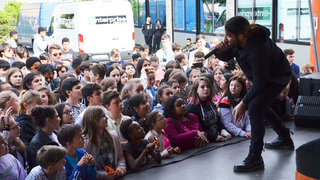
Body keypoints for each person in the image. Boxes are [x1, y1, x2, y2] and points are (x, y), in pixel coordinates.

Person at [215, 16, 294, 172]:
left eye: (228, 36)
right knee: (259, 106)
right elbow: (231, 53)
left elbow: (260, 83)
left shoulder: (258, 49)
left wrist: (243, 103)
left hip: (277, 76)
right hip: (265, 77)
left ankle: (255, 157)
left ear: (240, 36)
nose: (226, 39)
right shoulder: (242, 40)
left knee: (255, 107)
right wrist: (220, 52)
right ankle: (284, 137)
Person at [82, 106, 126, 179]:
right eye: (103, 116)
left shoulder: (113, 136)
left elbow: (120, 157)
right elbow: (86, 168)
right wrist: (103, 175)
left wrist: (121, 168)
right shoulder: (85, 141)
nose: (107, 118)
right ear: (93, 120)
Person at [187, 77, 231, 142]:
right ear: (196, 90)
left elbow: (217, 120)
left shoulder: (212, 104)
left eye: (208, 87)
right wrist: (214, 137)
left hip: (217, 138)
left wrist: (223, 130)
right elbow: (197, 129)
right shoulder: (192, 108)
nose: (206, 89)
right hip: (204, 142)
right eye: (202, 87)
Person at [27, 106, 62, 171]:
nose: (59, 119)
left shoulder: (57, 134)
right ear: (48, 120)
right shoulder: (36, 144)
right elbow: (38, 168)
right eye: (57, 117)